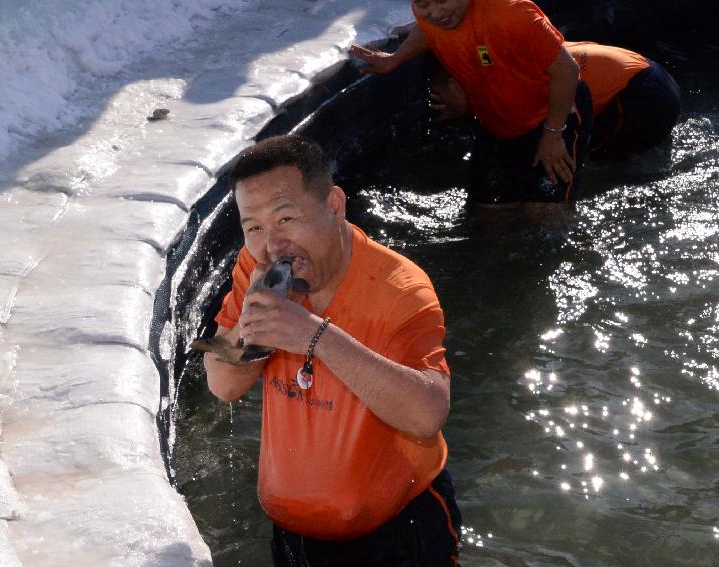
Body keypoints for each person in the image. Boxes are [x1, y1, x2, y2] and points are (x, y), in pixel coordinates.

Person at [203, 134, 460, 566]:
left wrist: (313, 336)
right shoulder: (256, 268)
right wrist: (250, 334)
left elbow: (427, 414)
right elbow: (222, 384)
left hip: (396, 534)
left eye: (286, 218)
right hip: (295, 537)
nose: (272, 244)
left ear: (334, 205)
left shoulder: (400, 290)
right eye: (254, 228)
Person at [350, 0, 593, 206]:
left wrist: (552, 136)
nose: (436, 13)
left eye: (444, 0)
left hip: (551, 118)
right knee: (486, 213)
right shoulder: (430, 16)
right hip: (497, 123)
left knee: (543, 213)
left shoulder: (513, 13)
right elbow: (426, 29)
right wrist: (395, 59)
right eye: (424, 4)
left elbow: (567, 71)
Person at [426, 41, 681, 158]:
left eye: (440, 92)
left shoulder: (505, 83)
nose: (440, 100)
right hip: (647, 70)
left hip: (642, 95)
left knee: (571, 162)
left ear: (454, 81)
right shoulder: (493, 57)